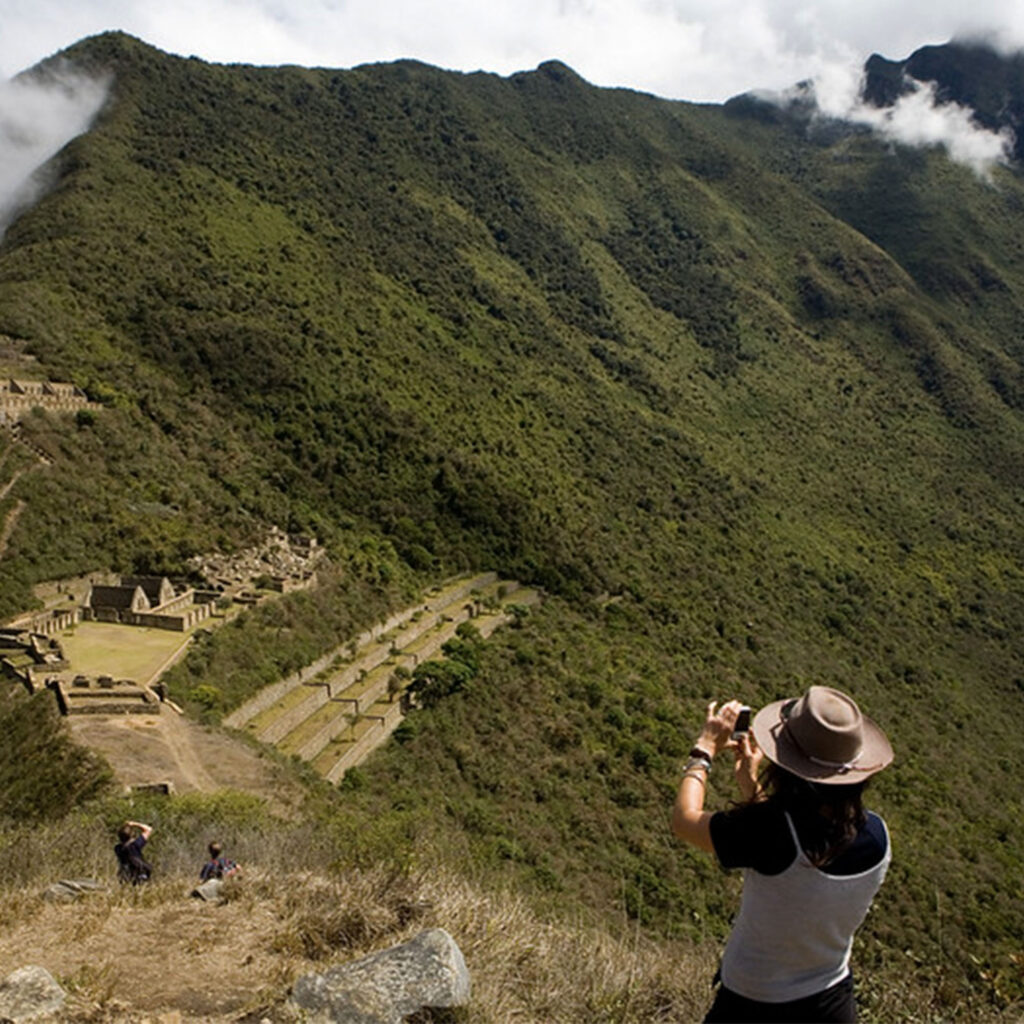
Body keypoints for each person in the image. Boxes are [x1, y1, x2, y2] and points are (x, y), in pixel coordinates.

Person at [671, 686, 893, 1023]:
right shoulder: (878, 835)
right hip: (832, 1001)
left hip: (753, 1003)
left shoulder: (769, 831)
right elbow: (793, 859)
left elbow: (684, 821)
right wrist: (751, 786)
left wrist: (704, 749)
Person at [114, 819, 153, 885]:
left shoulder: (117, 848)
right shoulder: (135, 845)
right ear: (132, 835)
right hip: (140, 874)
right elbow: (148, 829)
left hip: (126, 876)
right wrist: (134, 824)